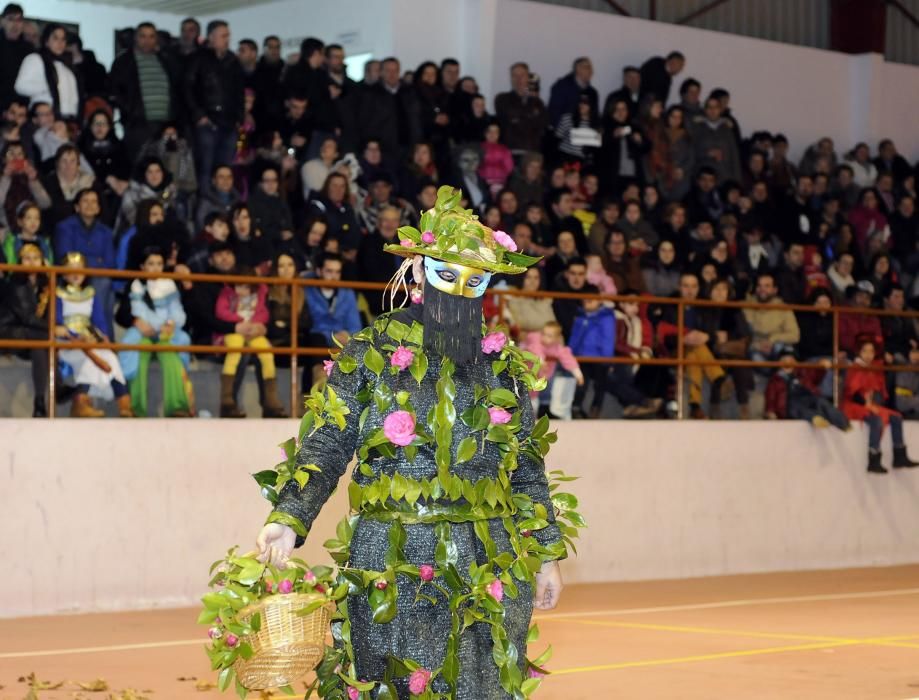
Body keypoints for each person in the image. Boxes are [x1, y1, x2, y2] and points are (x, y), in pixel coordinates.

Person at [255, 187, 570, 698]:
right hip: (392, 554)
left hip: (486, 557)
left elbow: (526, 466)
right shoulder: (372, 348)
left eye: (476, 280)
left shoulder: (501, 363)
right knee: (394, 685)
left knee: (483, 686)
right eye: (448, 273)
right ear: (419, 270)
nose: (461, 290)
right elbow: (329, 441)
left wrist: (547, 553)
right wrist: (288, 517)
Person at [118, 246, 194, 418]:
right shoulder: (134, 285)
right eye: (150, 263)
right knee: (137, 355)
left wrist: (172, 324)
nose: (155, 268)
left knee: (171, 356)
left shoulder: (170, 284)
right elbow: (124, 313)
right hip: (143, 333)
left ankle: (178, 407)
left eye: (159, 263)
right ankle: (135, 408)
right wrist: (138, 322)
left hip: (166, 334)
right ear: (141, 266)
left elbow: (177, 310)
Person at [56, 252, 131, 417]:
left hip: (90, 340)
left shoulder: (91, 293)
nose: (76, 274)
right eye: (71, 269)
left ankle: (124, 404)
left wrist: (101, 336)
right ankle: (80, 403)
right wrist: (74, 335)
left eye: (79, 269)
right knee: (88, 361)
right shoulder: (58, 294)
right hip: (68, 342)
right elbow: (57, 322)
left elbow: (99, 320)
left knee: (111, 358)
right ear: (63, 273)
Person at [215, 265, 288, 419]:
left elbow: (264, 314)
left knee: (267, 354)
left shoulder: (261, 293)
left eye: (246, 286)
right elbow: (221, 311)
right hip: (234, 331)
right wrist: (240, 322)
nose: (241, 289)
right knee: (234, 351)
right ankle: (227, 401)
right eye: (239, 285)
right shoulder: (226, 292)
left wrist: (255, 325)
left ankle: (271, 400)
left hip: (254, 331)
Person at [657, 272, 733, 419]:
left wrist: (706, 336)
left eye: (693, 286)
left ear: (698, 288)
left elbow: (711, 333)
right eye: (685, 286)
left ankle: (695, 406)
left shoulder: (704, 307)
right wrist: (682, 339)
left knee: (694, 354)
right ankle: (718, 378)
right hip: (676, 350)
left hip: (697, 351)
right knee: (695, 349)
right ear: (679, 287)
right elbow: (664, 336)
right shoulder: (670, 307)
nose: (690, 290)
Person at [184, 20, 244, 188]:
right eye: (223, 35)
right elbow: (187, 88)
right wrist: (199, 115)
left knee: (225, 170)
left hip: (229, 122)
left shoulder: (233, 61)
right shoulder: (198, 58)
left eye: (228, 35)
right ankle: (205, 208)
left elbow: (239, 92)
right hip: (207, 121)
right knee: (205, 168)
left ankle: (222, 207)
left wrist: (239, 117)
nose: (227, 39)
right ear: (211, 37)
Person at [843, 339, 919, 473]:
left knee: (897, 417)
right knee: (875, 420)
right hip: (855, 405)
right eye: (865, 351)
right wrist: (866, 404)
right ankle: (874, 458)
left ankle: (899, 454)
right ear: (859, 352)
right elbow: (852, 392)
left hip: (870, 403)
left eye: (871, 351)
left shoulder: (874, 368)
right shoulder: (854, 368)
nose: (868, 354)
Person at [52, 188, 115, 338]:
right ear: (76, 207)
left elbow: (110, 262)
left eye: (94, 202)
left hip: (98, 277)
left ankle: (105, 339)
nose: (90, 205)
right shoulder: (64, 227)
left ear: (99, 208)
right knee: (101, 283)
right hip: (71, 277)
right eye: (85, 201)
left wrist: (83, 259)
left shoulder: (106, 232)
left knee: (105, 284)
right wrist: (95, 261)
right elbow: (65, 257)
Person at [109, 22, 177, 156]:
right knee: (139, 167)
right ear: (136, 38)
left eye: (151, 36)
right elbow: (115, 91)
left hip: (165, 125)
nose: (147, 41)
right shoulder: (123, 61)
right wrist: (131, 112)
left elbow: (175, 90)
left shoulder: (165, 60)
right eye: (143, 36)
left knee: (163, 169)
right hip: (138, 125)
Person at [0, 242, 52, 416]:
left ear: (42, 260)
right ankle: (57, 386)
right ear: (19, 261)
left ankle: (39, 403)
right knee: (41, 337)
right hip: (9, 331)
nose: (31, 262)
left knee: (39, 345)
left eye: (36, 258)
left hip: (31, 336)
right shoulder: (15, 284)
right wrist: (54, 329)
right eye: (27, 259)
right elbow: (27, 317)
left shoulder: (46, 282)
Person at [304, 251, 361, 385]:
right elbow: (311, 324)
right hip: (317, 338)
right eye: (329, 271)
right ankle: (317, 390)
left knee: (354, 347)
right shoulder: (307, 290)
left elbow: (355, 326)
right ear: (319, 271)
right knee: (316, 340)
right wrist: (333, 335)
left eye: (337, 272)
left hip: (342, 339)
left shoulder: (347, 293)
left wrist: (348, 336)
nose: (334, 276)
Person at [765, 351, 849, 430]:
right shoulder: (775, 380)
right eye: (784, 360)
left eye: (791, 359)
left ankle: (844, 423)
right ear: (779, 363)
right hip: (788, 406)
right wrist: (770, 411)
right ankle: (815, 418)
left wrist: (821, 367)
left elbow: (815, 375)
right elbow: (770, 397)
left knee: (821, 401)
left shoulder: (802, 371)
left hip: (807, 398)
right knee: (799, 408)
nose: (788, 362)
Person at [610, 295, 662, 417]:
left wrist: (644, 351)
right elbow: (616, 343)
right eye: (631, 303)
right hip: (618, 358)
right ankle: (644, 402)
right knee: (618, 377)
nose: (635, 308)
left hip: (629, 357)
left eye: (637, 305)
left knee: (655, 368)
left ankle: (633, 406)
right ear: (621, 304)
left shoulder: (635, 321)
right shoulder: (617, 319)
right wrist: (637, 351)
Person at [14, 23, 79, 118]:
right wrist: (46, 87)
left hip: (67, 120)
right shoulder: (35, 59)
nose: (60, 43)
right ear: (46, 41)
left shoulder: (67, 67)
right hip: (45, 117)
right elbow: (20, 86)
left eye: (63, 39)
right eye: (55, 38)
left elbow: (74, 98)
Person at [525, 319, 585, 420]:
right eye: (543, 334)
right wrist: (542, 362)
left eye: (549, 336)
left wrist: (578, 374)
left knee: (540, 395)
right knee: (529, 396)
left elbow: (568, 359)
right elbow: (536, 349)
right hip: (528, 373)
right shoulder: (536, 340)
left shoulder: (557, 348)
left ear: (557, 338)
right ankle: (527, 416)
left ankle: (538, 414)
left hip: (543, 377)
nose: (544, 338)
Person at [569, 295, 615, 418]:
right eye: (585, 299)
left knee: (600, 384)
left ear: (600, 300)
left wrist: (607, 360)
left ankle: (596, 409)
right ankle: (576, 408)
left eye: (592, 299)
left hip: (600, 358)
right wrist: (570, 354)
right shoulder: (579, 316)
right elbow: (574, 337)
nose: (588, 302)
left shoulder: (606, 317)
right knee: (581, 383)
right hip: (582, 357)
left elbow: (608, 340)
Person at [743, 272, 800, 367]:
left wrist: (771, 340)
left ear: (775, 290)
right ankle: (776, 375)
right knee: (755, 357)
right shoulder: (746, 306)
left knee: (786, 351)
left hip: (777, 345)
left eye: (767, 286)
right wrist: (758, 345)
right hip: (756, 348)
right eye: (759, 286)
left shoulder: (783, 308)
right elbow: (742, 336)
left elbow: (795, 335)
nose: (762, 290)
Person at [494, 61, 548, 156]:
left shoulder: (537, 102)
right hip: (509, 151)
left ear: (528, 78)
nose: (518, 79)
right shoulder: (502, 98)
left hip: (532, 152)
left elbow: (541, 125)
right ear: (511, 78)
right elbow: (507, 119)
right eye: (514, 75)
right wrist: (530, 116)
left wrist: (519, 118)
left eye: (522, 75)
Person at [247, 164, 293, 248]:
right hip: (263, 246)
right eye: (267, 180)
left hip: (284, 244)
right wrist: (279, 235)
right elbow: (259, 228)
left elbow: (289, 224)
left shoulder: (281, 200)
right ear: (260, 183)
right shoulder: (253, 203)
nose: (271, 184)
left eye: (274, 180)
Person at [0, 4, 32, 108]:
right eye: (11, 19)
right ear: (2, 21)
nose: (15, 24)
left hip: (22, 107)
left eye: (19, 20)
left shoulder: (29, 50)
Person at [1, 199, 51, 264]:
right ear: (19, 222)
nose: (33, 222)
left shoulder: (44, 242)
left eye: (37, 218)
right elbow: (9, 265)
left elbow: (49, 265)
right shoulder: (11, 241)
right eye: (28, 218)